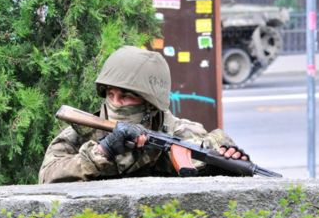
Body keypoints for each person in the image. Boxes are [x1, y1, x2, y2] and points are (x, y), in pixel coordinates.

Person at [39, 45, 248, 183]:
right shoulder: (79, 135)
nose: (115, 103)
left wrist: (226, 166)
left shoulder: (182, 133)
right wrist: (103, 151)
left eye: (126, 97)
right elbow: (46, 179)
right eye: (110, 94)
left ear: (150, 104)